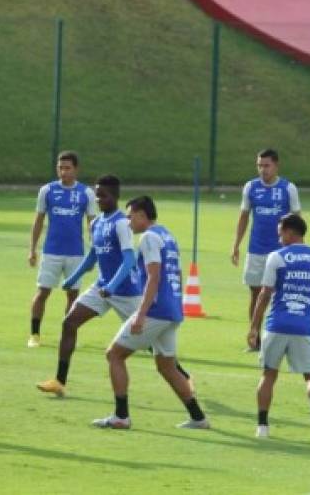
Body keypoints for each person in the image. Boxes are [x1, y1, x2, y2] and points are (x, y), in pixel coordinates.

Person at [94, 196, 209, 430]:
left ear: (141, 215)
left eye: (130, 216)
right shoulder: (168, 235)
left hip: (156, 311)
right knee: (167, 366)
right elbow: (173, 274)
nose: (127, 222)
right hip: (173, 310)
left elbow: (154, 277)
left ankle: (121, 416)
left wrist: (140, 314)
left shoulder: (148, 237)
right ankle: (198, 418)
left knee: (114, 355)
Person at [36, 175, 138, 397]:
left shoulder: (122, 223)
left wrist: (112, 286)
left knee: (152, 344)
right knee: (69, 323)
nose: (99, 199)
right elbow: (93, 256)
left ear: (116, 196)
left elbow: (129, 261)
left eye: (104, 195)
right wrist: (73, 278)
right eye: (97, 194)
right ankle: (59, 382)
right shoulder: (96, 223)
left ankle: (183, 377)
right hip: (101, 288)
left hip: (127, 292)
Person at [248, 213, 310, 440]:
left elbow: (264, 295)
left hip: (276, 324)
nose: (279, 239)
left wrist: (254, 327)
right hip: (304, 326)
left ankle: (263, 427)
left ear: (289, 231)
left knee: (268, 375)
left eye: (280, 234)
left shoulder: (276, 257)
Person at [231, 148, 301, 351]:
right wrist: (236, 245)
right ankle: (255, 340)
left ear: (276, 166)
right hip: (256, 250)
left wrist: (297, 248)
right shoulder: (251, 187)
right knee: (256, 294)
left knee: (283, 295)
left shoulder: (288, 188)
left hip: (282, 252)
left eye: (266, 165)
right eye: (259, 165)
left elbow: (298, 219)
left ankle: (284, 341)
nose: (263, 170)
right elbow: (244, 216)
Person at [27, 150, 98, 348]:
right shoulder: (47, 191)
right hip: (51, 252)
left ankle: (66, 336)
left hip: (76, 253)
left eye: (67, 168)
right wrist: (32, 249)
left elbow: (92, 224)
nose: (63, 172)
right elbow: (38, 221)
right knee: (43, 292)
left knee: (73, 295)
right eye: (60, 168)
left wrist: (94, 254)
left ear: (76, 169)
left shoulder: (86, 193)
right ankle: (34, 334)